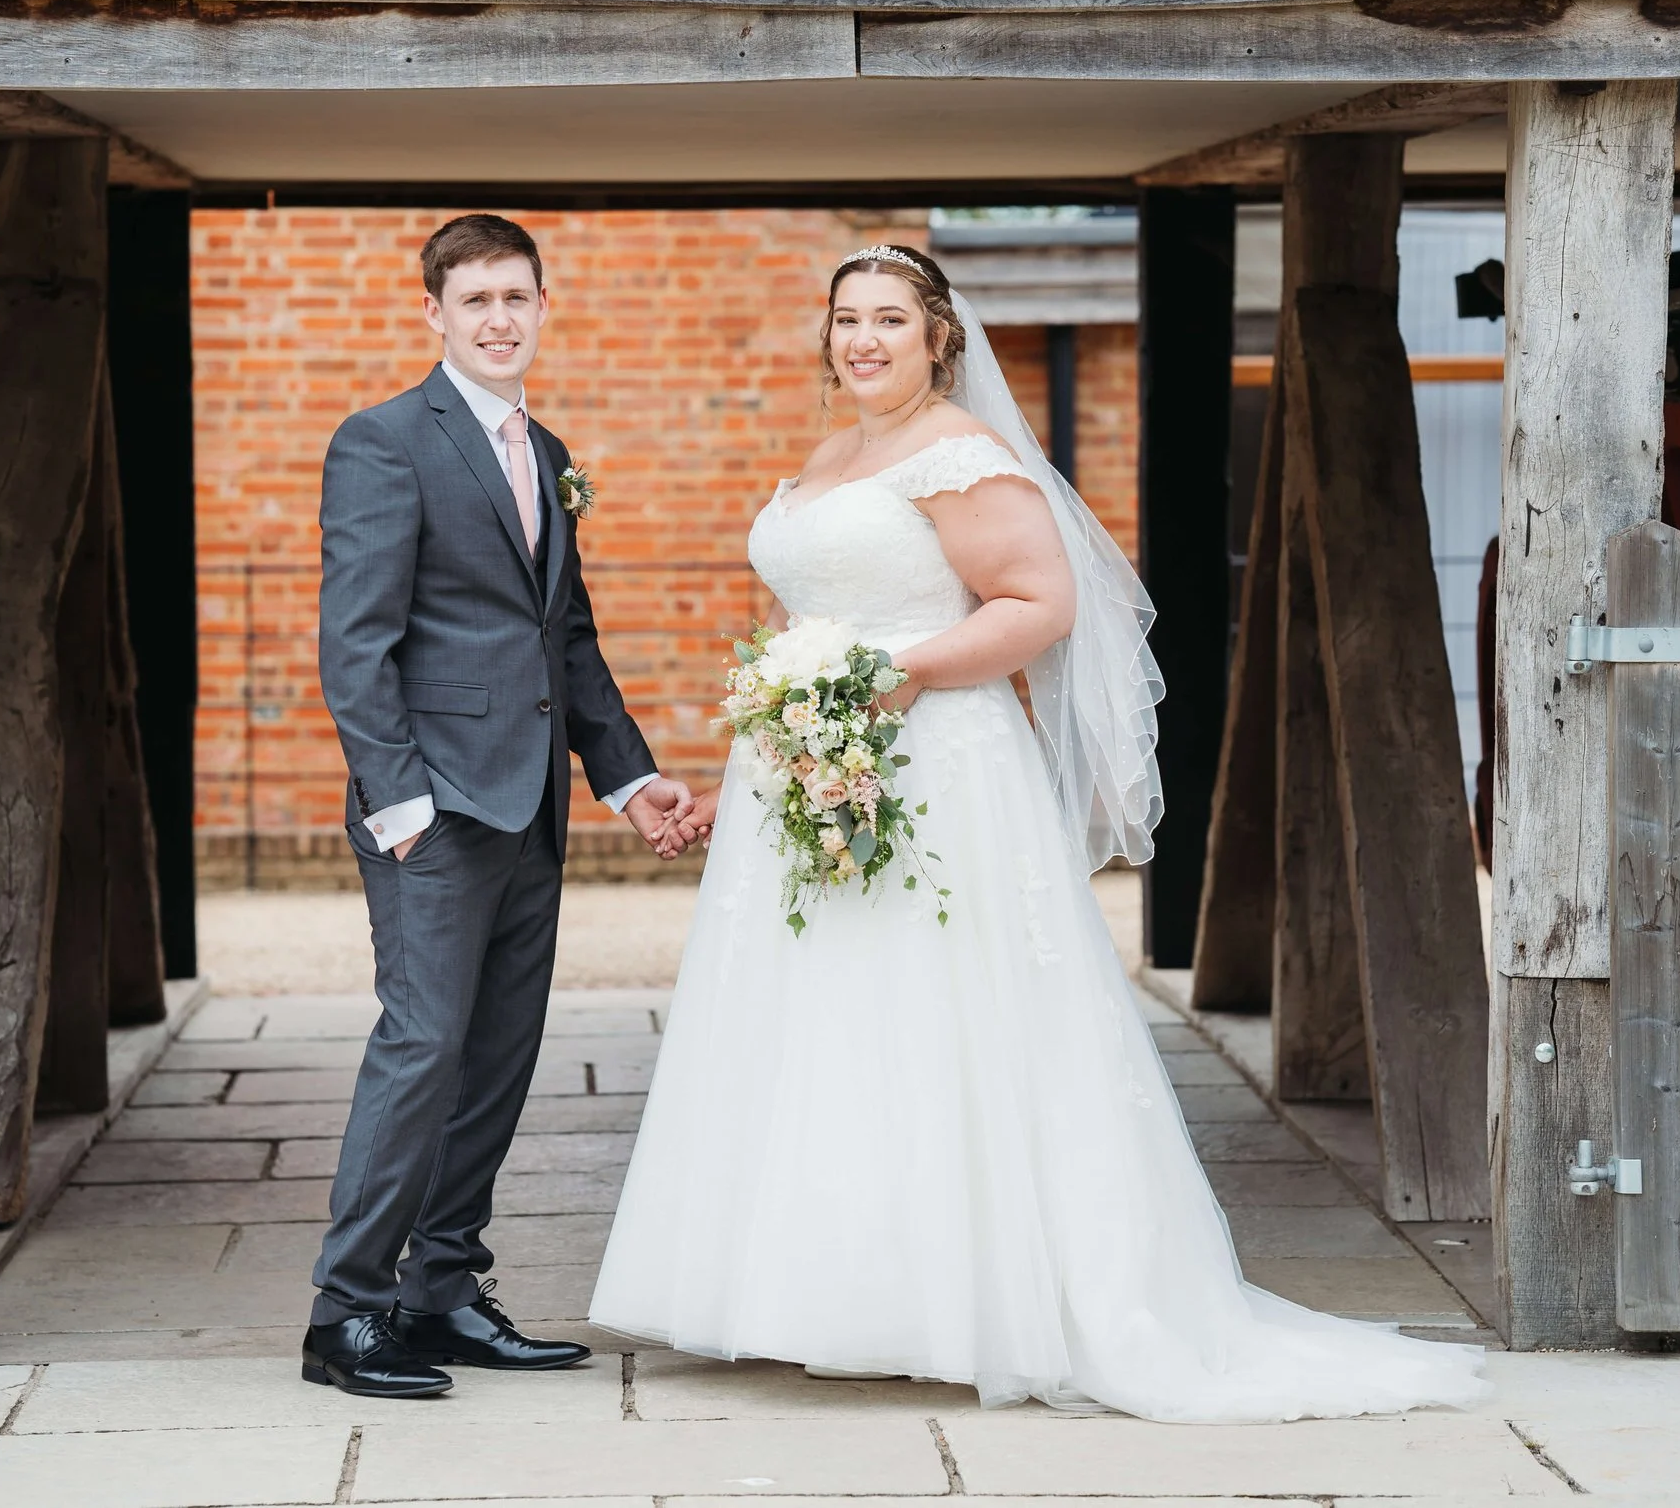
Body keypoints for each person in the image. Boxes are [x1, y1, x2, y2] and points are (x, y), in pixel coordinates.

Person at [588, 243, 1491, 1421]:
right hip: (811, 773)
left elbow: (1039, 605)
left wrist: (888, 676)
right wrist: (752, 758)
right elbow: (798, 622)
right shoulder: (832, 456)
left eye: (889, 321)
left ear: (937, 338)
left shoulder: (961, 453)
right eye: (847, 319)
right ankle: (829, 1292)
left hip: (935, 772)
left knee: (935, 1015)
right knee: (820, 1018)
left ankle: (976, 1300)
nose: (863, 339)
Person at [306, 213, 698, 1398]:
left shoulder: (548, 445)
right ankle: (347, 1312)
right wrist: (399, 805)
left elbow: (561, 636)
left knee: (498, 1056)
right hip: (435, 808)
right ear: (434, 313)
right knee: (422, 1048)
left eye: (516, 298)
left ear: (542, 304)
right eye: (474, 300)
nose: (497, 319)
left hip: (529, 808)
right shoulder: (383, 443)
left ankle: (441, 1290)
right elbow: (355, 644)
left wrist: (628, 776)